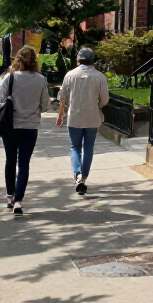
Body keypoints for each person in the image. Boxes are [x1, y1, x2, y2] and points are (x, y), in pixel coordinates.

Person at [0, 45, 51, 216]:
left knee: (10, 161)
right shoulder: (40, 79)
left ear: (18, 58)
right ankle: (19, 200)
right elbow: (46, 106)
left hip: (10, 126)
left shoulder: (9, 78)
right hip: (30, 126)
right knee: (24, 163)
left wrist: (11, 106)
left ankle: (10, 196)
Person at [56, 46, 109, 194]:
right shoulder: (100, 77)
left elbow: (63, 97)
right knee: (89, 147)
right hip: (92, 117)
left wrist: (60, 115)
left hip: (74, 117)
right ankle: (84, 177)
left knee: (75, 147)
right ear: (92, 60)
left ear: (78, 59)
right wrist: (96, 105)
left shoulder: (70, 75)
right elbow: (104, 100)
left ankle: (77, 174)